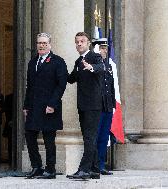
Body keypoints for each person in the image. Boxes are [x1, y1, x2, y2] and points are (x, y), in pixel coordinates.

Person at [23, 32, 68, 179]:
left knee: (49, 139)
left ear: (50, 45)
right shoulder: (32, 62)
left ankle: (50, 169)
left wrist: (52, 104)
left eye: (44, 43)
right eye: (39, 43)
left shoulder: (58, 61)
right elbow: (29, 86)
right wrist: (26, 106)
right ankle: (36, 167)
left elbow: (61, 85)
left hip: (49, 107)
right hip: (34, 107)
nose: (41, 45)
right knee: (30, 135)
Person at [66, 32, 104, 179]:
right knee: (88, 137)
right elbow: (70, 79)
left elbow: (101, 67)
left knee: (89, 137)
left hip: (93, 105)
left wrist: (91, 67)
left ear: (88, 43)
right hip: (82, 105)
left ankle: (84, 170)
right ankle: (94, 169)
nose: (79, 44)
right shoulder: (78, 61)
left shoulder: (94, 57)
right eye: (77, 42)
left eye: (82, 41)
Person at [92, 38, 115, 175]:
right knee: (95, 136)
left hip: (107, 106)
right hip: (97, 106)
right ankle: (94, 164)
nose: (104, 51)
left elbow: (111, 86)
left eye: (106, 48)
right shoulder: (94, 64)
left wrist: (112, 104)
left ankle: (101, 164)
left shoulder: (109, 65)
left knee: (103, 137)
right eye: (101, 48)